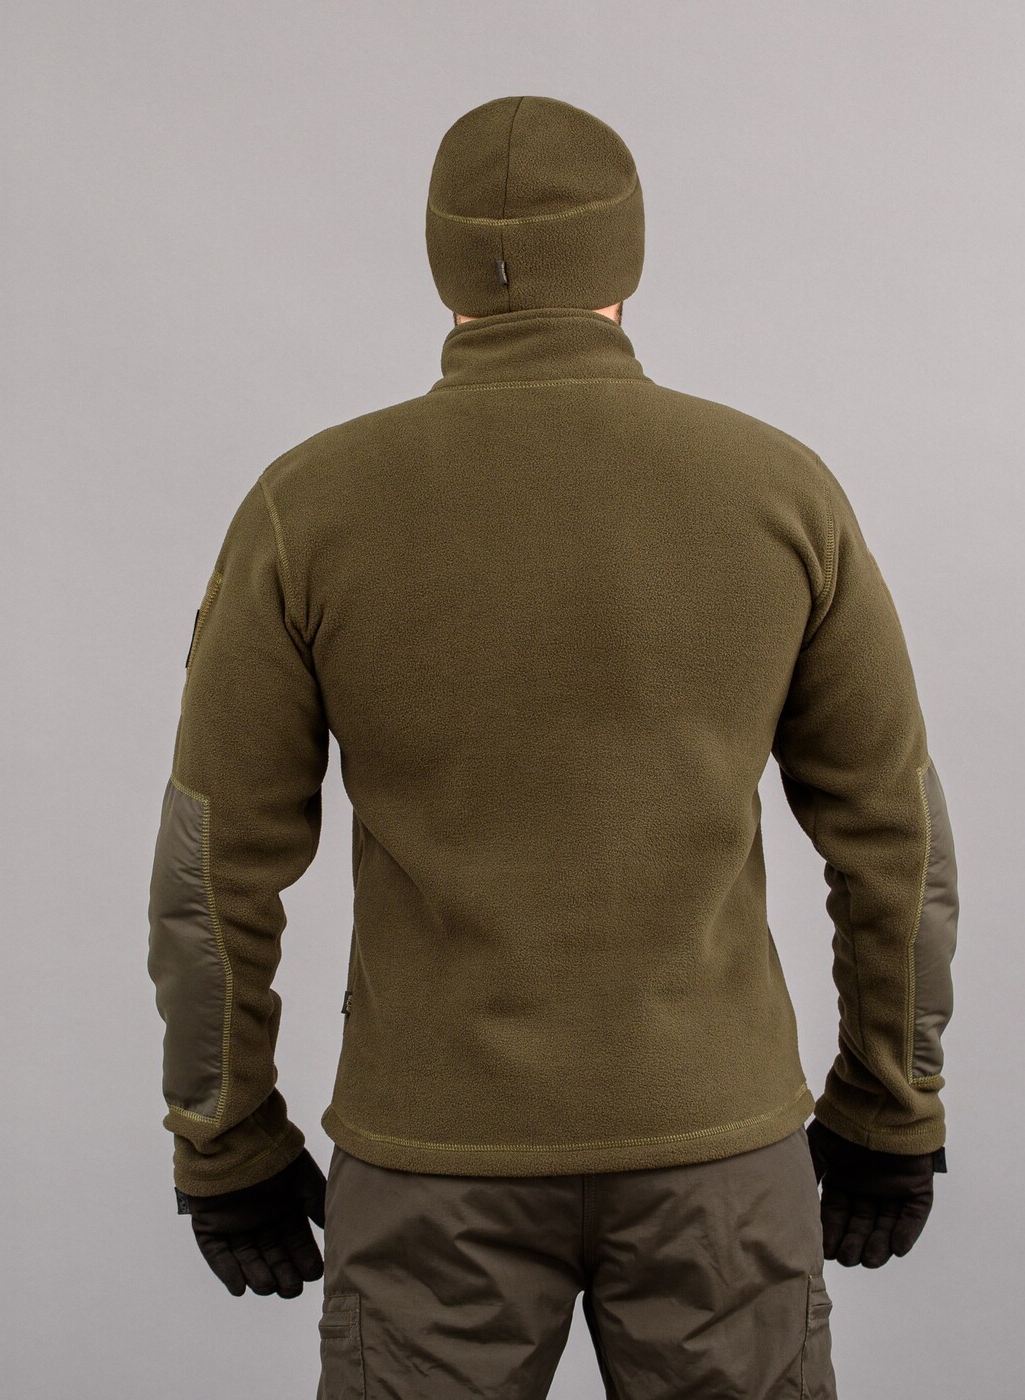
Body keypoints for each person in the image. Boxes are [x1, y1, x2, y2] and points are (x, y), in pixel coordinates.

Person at [147, 94, 959, 1399]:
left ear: (442, 263)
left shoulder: (310, 508)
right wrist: (890, 1107)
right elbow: (896, 840)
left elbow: (209, 867)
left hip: (431, 1166)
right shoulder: (778, 491)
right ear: (624, 259)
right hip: (716, 1156)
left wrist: (224, 1135)